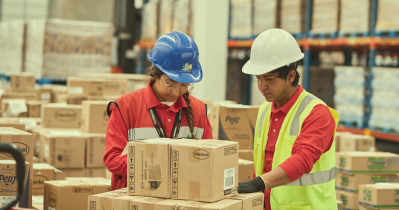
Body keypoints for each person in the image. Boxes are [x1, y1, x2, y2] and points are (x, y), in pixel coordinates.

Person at [238, 28, 339, 210]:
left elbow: (302, 160)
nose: (262, 86)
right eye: (258, 78)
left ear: (291, 76)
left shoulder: (317, 113)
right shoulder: (264, 111)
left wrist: (258, 183)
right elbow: (264, 163)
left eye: (269, 79)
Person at [104, 31, 213, 190]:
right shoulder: (126, 107)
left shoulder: (198, 111)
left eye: (184, 85)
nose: (176, 92)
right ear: (155, 73)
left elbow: (209, 157)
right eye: (170, 83)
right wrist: (164, 164)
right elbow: (112, 160)